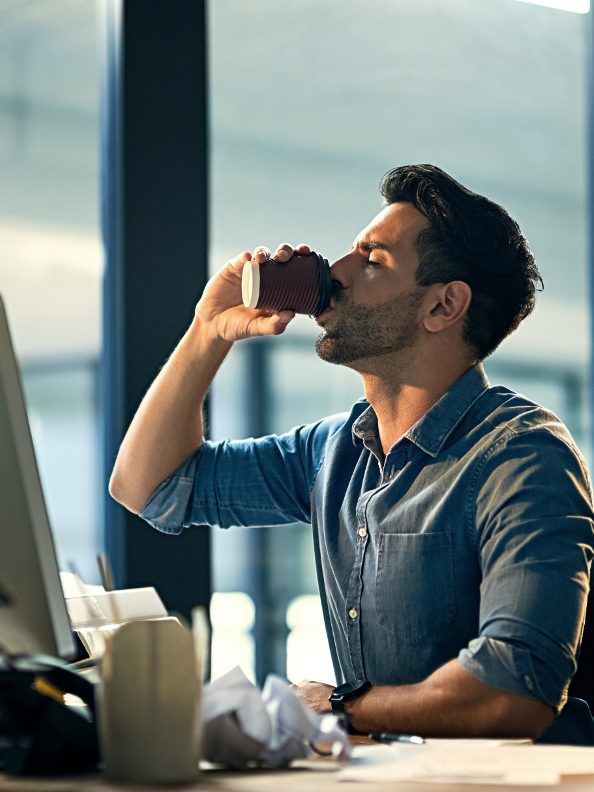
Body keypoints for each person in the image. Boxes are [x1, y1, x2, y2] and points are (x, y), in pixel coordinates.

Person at [109, 164, 594, 741]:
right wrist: (207, 331)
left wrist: (341, 705)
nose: (335, 273)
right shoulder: (334, 451)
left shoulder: (522, 460)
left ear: (443, 307)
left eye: (371, 261)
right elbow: (152, 489)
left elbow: (513, 693)